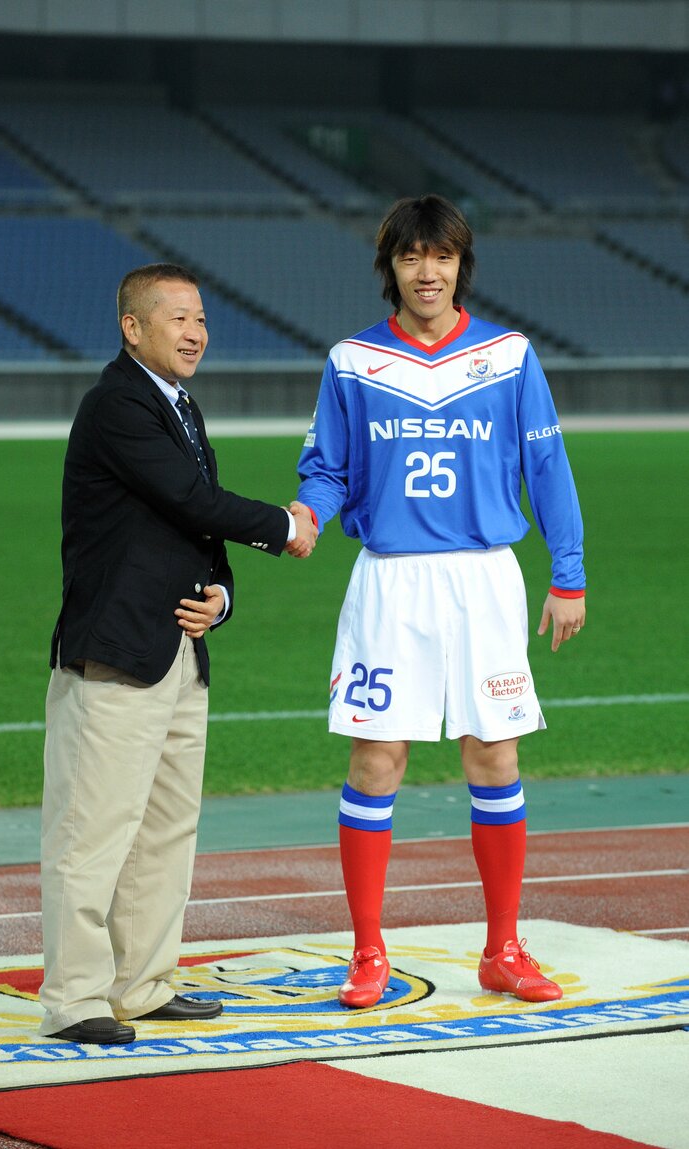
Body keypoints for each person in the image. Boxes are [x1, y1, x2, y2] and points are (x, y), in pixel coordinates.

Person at [292, 194, 585, 1008]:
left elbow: (547, 470)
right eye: (413, 256)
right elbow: (326, 465)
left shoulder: (508, 354)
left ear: (461, 264)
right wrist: (308, 511)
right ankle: (367, 953)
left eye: (443, 256)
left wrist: (568, 574)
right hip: (389, 583)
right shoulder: (352, 361)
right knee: (376, 757)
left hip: (485, 576)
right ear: (389, 266)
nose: (429, 271)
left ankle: (502, 948)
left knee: (494, 756)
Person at [40, 262, 316, 1044]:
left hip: (179, 653)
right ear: (133, 327)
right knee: (91, 833)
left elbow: (191, 530)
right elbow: (193, 501)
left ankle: (142, 983)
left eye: (201, 318)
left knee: (165, 831)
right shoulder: (118, 404)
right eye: (178, 318)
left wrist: (221, 597)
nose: (196, 331)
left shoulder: (180, 406)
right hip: (118, 652)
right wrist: (284, 526)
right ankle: (76, 997)